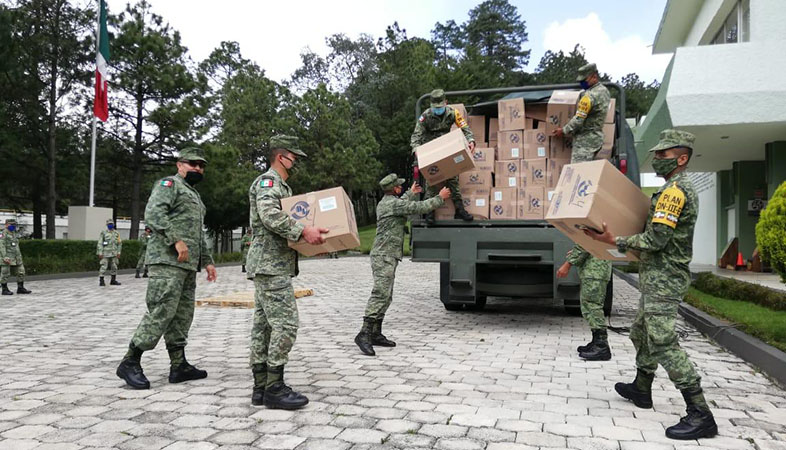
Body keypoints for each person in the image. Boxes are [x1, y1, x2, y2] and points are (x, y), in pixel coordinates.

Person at [584, 129, 718, 440]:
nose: (656, 158)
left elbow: (656, 240)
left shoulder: (675, 192)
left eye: (663, 154)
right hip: (656, 276)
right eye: (656, 154)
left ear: (681, 159)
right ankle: (642, 388)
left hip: (665, 278)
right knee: (640, 332)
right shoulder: (670, 189)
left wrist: (615, 240)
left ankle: (700, 412)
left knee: (662, 341)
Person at [116, 147, 217, 390]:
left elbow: (197, 233)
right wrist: (175, 240)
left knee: (182, 315)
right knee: (161, 310)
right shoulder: (168, 185)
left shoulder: (194, 195)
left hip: (186, 265)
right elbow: (153, 214)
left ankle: (178, 365)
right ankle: (130, 361)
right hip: (166, 261)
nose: (198, 168)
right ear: (179, 165)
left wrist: (207, 261)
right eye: (192, 163)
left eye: (201, 165)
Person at [247, 135, 328, 409]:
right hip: (270, 266)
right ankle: (274, 388)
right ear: (281, 157)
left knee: (264, 326)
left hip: (269, 264)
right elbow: (270, 216)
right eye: (294, 157)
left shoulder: (281, 185)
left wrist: (312, 242)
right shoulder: (268, 182)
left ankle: (261, 387)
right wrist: (304, 231)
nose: (296, 162)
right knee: (286, 324)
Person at [553, 63, 613, 361]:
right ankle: (597, 343)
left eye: (583, 79)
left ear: (593, 76)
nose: (581, 84)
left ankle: (601, 346)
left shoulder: (591, 96)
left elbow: (587, 240)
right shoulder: (604, 94)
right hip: (594, 263)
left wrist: (562, 131)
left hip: (585, 140)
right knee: (590, 303)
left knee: (591, 303)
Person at [355, 174, 449, 356]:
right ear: (394, 189)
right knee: (380, 294)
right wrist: (440, 198)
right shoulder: (393, 204)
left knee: (387, 295)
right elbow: (418, 207)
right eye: (399, 186)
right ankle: (364, 334)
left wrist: (411, 192)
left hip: (387, 255)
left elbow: (403, 203)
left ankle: (375, 333)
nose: (401, 188)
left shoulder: (389, 202)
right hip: (384, 255)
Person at [411, 89, 476, 223]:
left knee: (453, 180)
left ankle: (460, 211)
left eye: (440, 107)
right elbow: (416, 136)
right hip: (431, 152)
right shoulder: (425, 116)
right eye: (435, 108)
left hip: (447, 150)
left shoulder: (453, 113)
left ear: (446, 102)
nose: (438, 110)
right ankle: (429, 213)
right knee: (432, 183)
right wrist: (416, 149)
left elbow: (465, 128)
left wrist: (470, 140)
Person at [1, 218, 31, 295]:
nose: (13, 226)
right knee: (5, 273)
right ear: (6, 225)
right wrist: (5, 257)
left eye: (14, 224)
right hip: (7, 257)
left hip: (17, 257)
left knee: (21, 271)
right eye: (11, 224)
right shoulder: (3, 233)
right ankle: (4, 289)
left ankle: (20, 288)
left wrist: (19, 256)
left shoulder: (14, 233)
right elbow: (1, 246)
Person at [97, 219, 123, 286]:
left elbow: (119, 243)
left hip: (114, 253)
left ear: (113, 224)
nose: (110, 225)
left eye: (111, 224)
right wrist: (100, 252)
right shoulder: (103, 233)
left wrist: (119, 252)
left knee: (114, 266)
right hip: (105, 253)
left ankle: (113, 280)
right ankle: (101, 280)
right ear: (107, 225)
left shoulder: (116, 233)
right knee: (103, 266)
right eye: (109, 224)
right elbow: (100, 243)